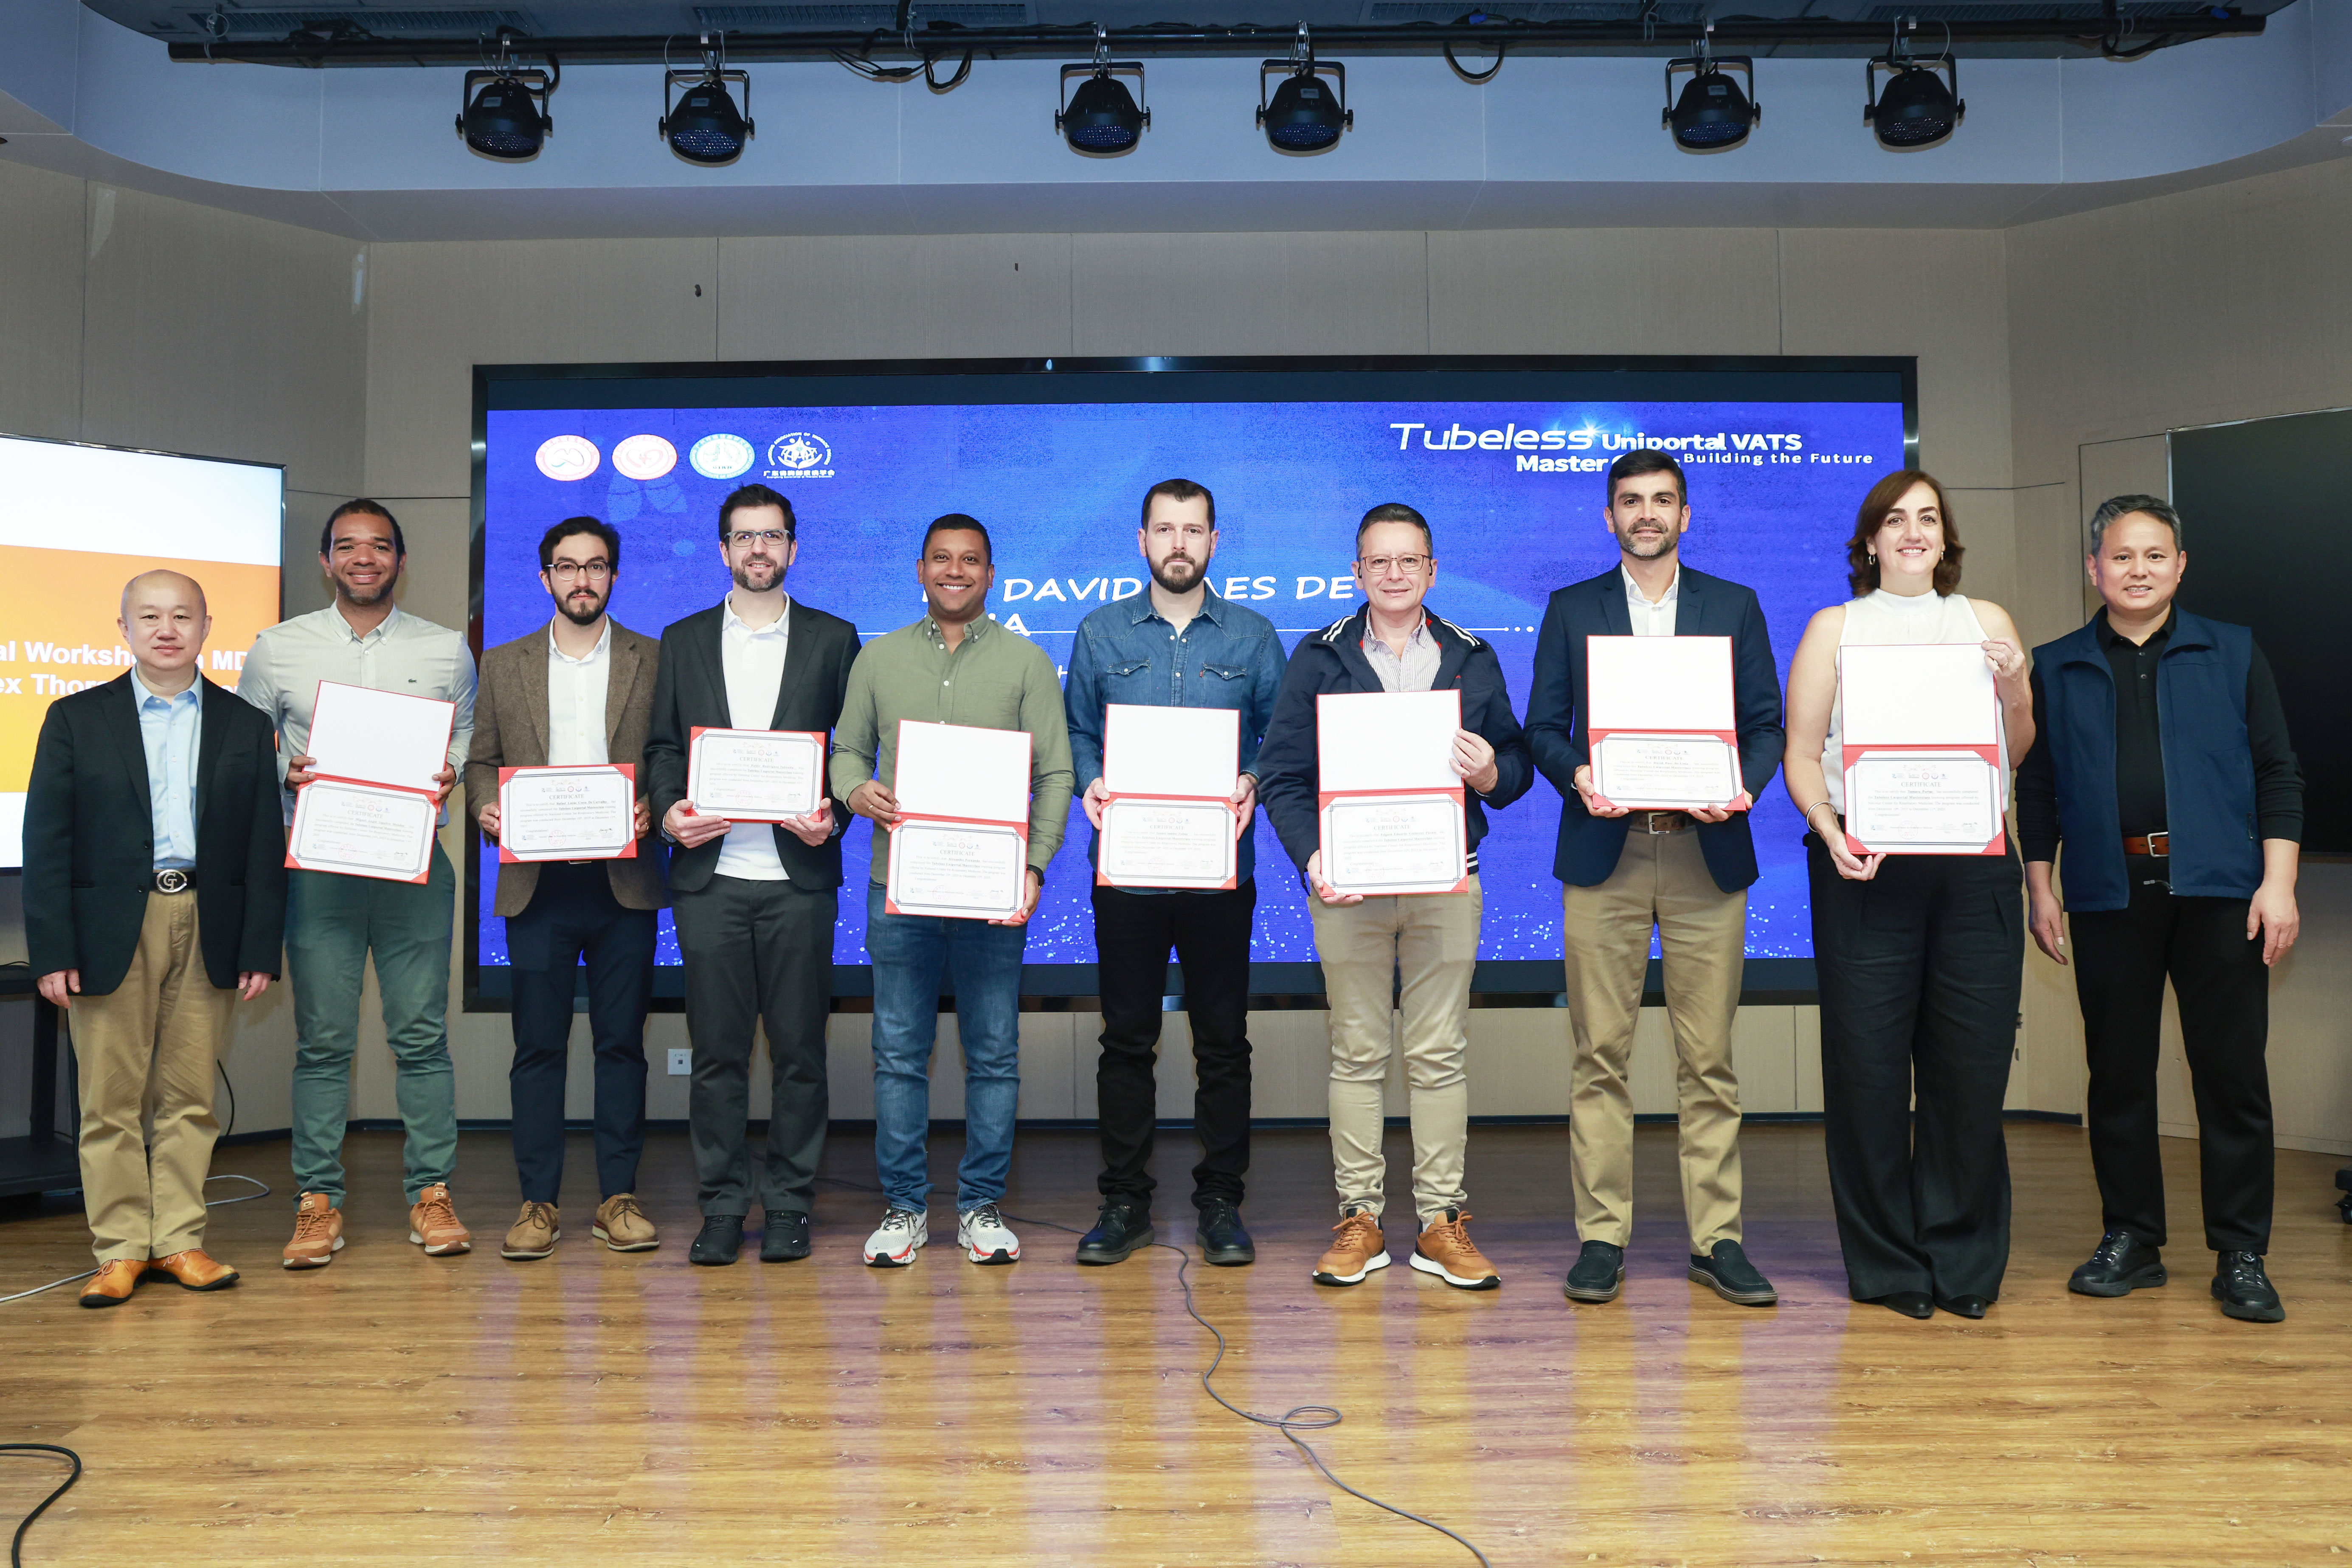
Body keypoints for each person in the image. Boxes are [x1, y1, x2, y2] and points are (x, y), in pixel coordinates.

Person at [2015, 494, 2301, 1323]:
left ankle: (2241, 1251)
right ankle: (2132, 1237)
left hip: (2222, 894)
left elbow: (2278, 772)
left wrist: (2277, 883)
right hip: (2108, 894)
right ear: (2093, 568)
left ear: (2179, 565)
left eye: (2153, 555)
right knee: (2117, 1077)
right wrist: (2041, 886)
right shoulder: (2056, 663)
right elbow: (2038, 786)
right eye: (2120, 555)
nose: (2136, 569)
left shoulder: (2232, 650)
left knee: (2232, 1076)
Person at [1525, 450, 1785, 1309]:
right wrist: (1578, 774)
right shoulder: (1572, 608)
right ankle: (1602, 1237)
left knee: (1708, 1059)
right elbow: (1541, 726)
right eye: (1631, 501)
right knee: (1600, 1054)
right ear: (1609, 517)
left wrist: (1741, 785)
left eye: (1662, 500)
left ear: (1685, 514)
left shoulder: (1733, 605)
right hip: (1606, 852)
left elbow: (1765, 725)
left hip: (1708, 851)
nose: (1647, 513)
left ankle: (1718, 1240)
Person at [1256, 502, 1532, 1291]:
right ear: (1358, 571)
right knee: (1357, 1051)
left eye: (1409, 560)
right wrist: (1313, 855)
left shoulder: (1472, 656)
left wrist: (1490, 773)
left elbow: (1515, 765)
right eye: (1379, 561)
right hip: (1350, 886)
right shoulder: (1319, 655)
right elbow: (1281, 774)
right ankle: (1361, 1219)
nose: (1394, 574)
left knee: (1439, 1052)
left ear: (1432, 571)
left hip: (1448, 881)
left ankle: (1441, 1222)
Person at [1781, 470, 2032, 1321]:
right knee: (1868, 1073)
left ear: (1946, 537)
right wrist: (1828, 831)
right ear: (1869, 540)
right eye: (1895, 520)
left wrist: (2014, 685)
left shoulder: (1987, 621)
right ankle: (1889, 1262)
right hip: (1865, 865)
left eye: (1928, 518)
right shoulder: (1835, 627)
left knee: (1970, 1070)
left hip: (1974, 866)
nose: (1913, 531)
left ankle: (1962, 1261)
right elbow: (1802, 753)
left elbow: (2017, 746)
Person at [26, 571, 285, 1306]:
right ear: (124, 628)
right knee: (109, 1101)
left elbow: (263, 843)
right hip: (109, 928)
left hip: (208, 921)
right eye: (149, 616)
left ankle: (177, 1240)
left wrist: (259, 946)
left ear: (206, 627)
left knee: (190, 1096)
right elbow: (46, 841)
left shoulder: (243, 722)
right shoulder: (75, 718)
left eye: (181, 616)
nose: (166, 629)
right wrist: (54, 950)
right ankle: (119, 1250)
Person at [831, 514, 1074, 1268]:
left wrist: (1034, 865)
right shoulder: (878, 658)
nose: (955, 571)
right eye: (941, 558)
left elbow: (1056, 773)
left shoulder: (1028, 662)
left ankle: (980, 1207)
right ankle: (904, 1208)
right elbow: (845, 751)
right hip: (898, 889)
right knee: (898, 1055)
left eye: (971, 560)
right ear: (920, 569)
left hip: (992, 894)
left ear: (991, 574)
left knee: (994, 1054)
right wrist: (855, 790)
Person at [240, 500, 476, 1268]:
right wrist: (285, 767)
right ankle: (317, 1201)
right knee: (323, 1043)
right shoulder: (277, 648)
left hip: (413, 864)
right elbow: (245, 743)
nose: (363, 557)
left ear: (401, 560)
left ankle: (431, 1193)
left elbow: (465, 734)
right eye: (347, 546)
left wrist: (452, 769)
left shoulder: (445, 649)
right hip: (320, 867)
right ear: (326, 561)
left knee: (422, 1039)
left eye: (379, 546)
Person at [1063, 478, 1286, 1268]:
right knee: (1127, 1039)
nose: (1179, 544)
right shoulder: (1099, 631)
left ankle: (1221, 1202)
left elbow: (1280, 735)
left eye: (1193, 530)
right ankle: (1124, 1202)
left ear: (1214, 542)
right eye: (1165, 529)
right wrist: (1090, 778)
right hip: (1128, 872)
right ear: (1143, 540)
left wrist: (1253, 778)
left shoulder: (1254, 636)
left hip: (1220, 871)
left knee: (1223, 1041)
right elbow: (1077, 730)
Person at [644, 485, 861, 1267]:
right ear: (724, 550)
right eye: (744, 537)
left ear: (793, 547)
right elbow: (663, 747)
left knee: (801, 1052)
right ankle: (724, 1206)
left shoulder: (835, 638)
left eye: (772, 536)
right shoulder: (684, 638)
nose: (758, 549)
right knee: (716, 1056)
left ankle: (792, 1203)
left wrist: (835, 812)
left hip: (800, 879)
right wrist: (667, 812)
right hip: (711, 878)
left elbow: (853, 750)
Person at [465, 517, 668, 1262]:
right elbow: (480, 760)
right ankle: (538, 1203)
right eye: (567, 566)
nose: (582, 579)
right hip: (538, 885)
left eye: (596, 566)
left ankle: (619, 1198)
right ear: (545, 576)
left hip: (625, 882)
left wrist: (656, 803)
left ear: (615, 575)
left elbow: (670, 754)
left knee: (622, 1047)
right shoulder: (503, 663)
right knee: (538, 1049)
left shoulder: (656, 657)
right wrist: (485, 806)